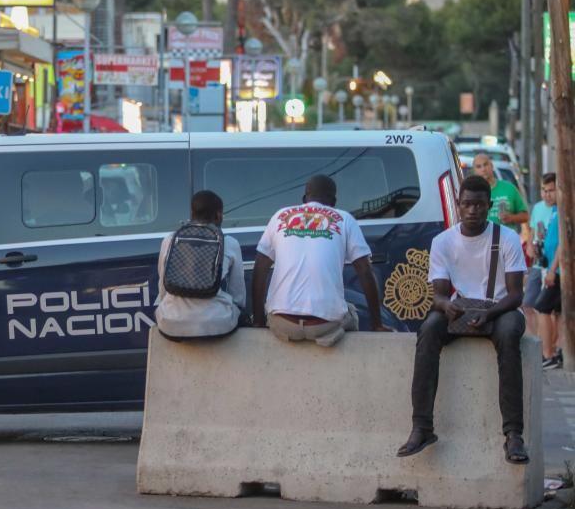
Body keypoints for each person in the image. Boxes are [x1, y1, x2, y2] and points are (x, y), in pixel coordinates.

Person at [398, 175, 528, 464]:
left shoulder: (506, 238)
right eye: (467, 204)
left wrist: (490, 313)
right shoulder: (443, 241)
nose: (473, 210)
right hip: (462, 308)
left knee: (508, 335)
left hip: (501, 308)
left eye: (479, 205)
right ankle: (421, 427)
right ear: (458, 205)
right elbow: (439, 294)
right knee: (429, 329)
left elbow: (516, 295)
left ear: (488, 206)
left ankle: (514, 435)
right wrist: (446, 307)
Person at [252, 175, 387, 346]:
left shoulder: (280, 215)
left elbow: (259, 270)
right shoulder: (345, 219)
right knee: (352, 312)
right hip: (324, 326)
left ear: (304, 199)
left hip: (283, 323)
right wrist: (377, 325)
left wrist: (257, 322)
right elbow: (365, 271)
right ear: (334, 201)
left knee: (271, 309)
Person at [155, 190, 247, 339]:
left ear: (192, 213)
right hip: (216, 323)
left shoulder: (170, 240)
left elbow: (163, 288)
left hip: (170, 323)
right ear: (218, 215)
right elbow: (238, 295)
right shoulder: (230, 242)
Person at [523, 173, 557, 339]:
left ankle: (550, 344)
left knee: (550, 308)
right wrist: (530, 246)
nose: (546, 194)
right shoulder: (537, 207)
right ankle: (538, 339)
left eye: (550, 190)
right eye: (544, 190)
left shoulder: (559, 209)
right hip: (538, 264)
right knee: (528, 304)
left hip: (553, 266)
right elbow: (532, 231)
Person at [472, 153, 528, 233]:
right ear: (474, 171)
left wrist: (511, 218)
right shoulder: (472, 193)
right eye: (479, 167)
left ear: (492, 166)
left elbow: (525, 216)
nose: (483, 169)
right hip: (482, 241)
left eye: (485, 164)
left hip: (507, 241)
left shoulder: (509, 188)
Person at [537, 199, 563, 370]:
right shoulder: (555, 209)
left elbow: (564, 242)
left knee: (542, 307)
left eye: (552, 189)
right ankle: (558, 351)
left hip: (560, 270)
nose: (549, 194)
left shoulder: (566, 207)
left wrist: (553, 269)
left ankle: (548, 354)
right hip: (554, 267)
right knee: (559, 312)